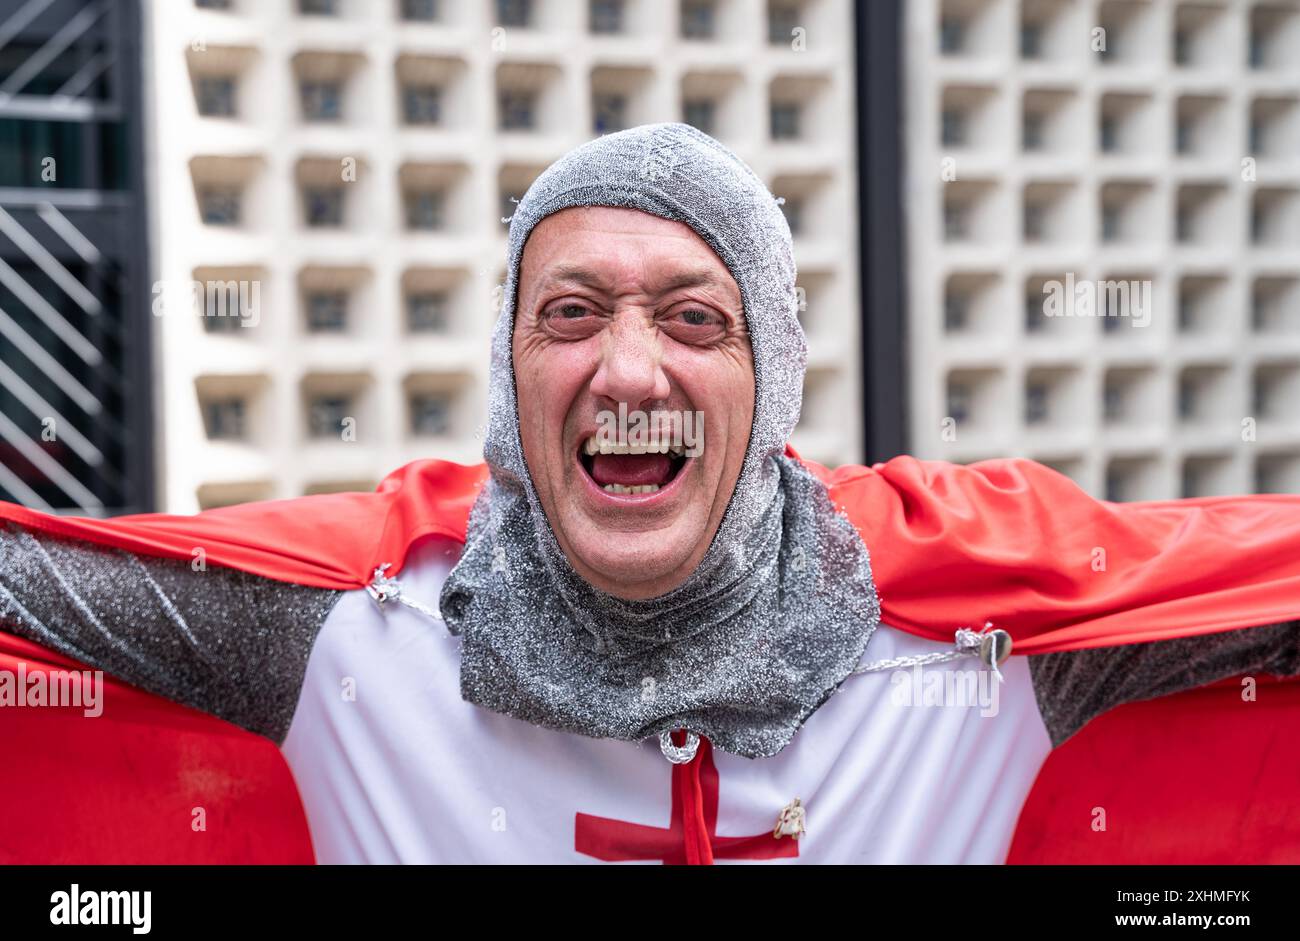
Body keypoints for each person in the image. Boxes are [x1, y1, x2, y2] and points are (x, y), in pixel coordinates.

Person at [3, 123, 1300, 864]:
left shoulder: (996, 651)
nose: (627, 366)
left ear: (772, 382)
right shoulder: (333, 638)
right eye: (568, 313)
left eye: (693, 316)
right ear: (510, 375)